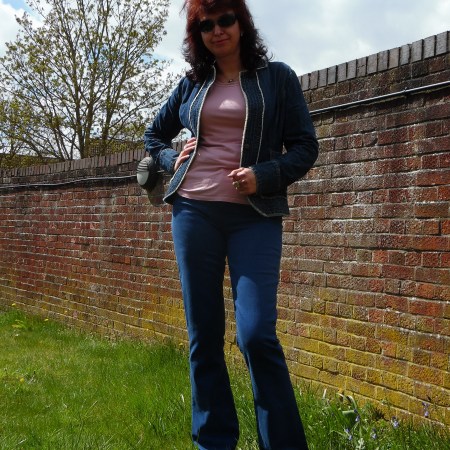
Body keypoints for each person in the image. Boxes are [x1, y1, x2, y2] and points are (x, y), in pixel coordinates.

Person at [144, 1, 318, 448]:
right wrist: (170, 157)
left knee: (256, 334)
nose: (217, 30)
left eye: (225, 20)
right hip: (193, 211)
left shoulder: (277, 78)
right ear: (197, 35)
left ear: (241, 23)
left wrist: (265, 175)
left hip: (253, 217)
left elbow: (305, 147)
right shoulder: (192, 84)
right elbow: (153, 136)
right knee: (203, 335)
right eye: (206, 25)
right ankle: (213, 441)